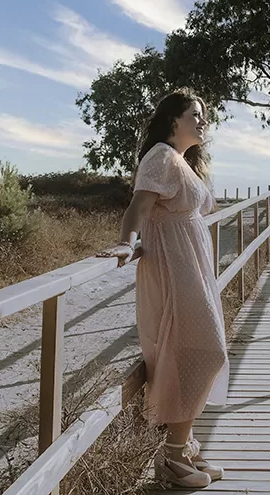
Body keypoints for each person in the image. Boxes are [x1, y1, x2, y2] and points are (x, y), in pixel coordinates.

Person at [98, 90, 228, 489]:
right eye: (195, 114)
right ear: (174, 120)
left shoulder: (181, 162)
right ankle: (172, 455)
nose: (203, 121)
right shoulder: (160, 156)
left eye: (204, 115)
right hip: (174, 267)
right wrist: (127, 240)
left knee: (198, 349)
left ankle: (183, 446)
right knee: (202, 349)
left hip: (192, 266)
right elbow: (138, 205)